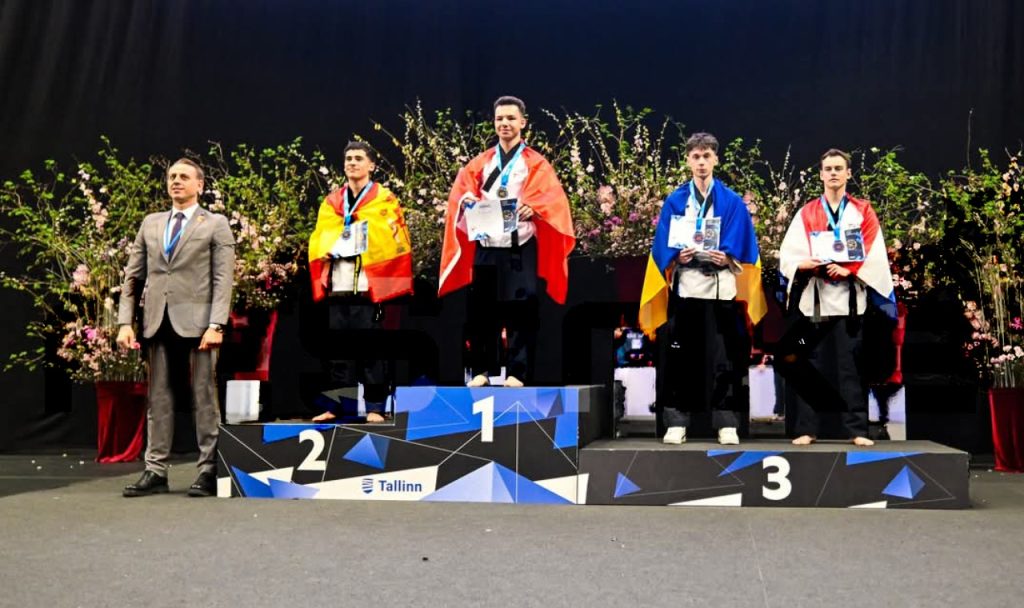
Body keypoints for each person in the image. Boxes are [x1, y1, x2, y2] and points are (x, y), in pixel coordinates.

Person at [116, 158, 235, 497]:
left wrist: (217, 324)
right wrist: (125, 322)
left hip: (199, 324)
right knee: (158, 398)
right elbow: (133, 277)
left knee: (203, 396)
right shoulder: (151, 223)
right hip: (157, 321)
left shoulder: (215, 223)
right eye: (172, 176)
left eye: (184, 176)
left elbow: (223, 279)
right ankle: (155, 470)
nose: (176, 181)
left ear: (200, 185)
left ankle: (209, 469)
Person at [439, 95, 574, 387]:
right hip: (486, 245)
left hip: (519, 247)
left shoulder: (535, 163)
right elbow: (461, 190)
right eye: (500, 118)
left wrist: (533, 207)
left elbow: (551, 198)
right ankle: (481, 371)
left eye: (511, 118)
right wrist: (468, 200)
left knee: (521, 310)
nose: (505, 124)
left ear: (523, 122)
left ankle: (517, 372)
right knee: (481, 310)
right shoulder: (482, 162)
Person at [639, 133, 765, 445]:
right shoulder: (676, 200)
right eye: (696, 156)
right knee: (681, 357)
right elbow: (664, 243)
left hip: (721, 289)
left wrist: (727, 256)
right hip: (686, 287)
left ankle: (726, 423)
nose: (701, 162)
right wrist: (676, 256)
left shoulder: (731, 201)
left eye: (707, 156)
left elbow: (742, 241)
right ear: (688, 161)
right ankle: (677, 422)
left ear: (715, 160)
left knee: (724, 358)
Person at [777, 148, 896, 446]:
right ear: (821, 174)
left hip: (849, 301)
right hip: (815, 302)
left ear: (848, 173)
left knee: (850, 368)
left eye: (838, 168)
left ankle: (857, 430)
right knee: (810, 368)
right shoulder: (807, 212)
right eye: (828, 168)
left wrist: (849, 269)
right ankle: (807, 428)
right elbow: (789, 255)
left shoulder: (862, 211)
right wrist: (807, 265)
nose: (833, 173)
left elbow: (873, 252)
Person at [307, 141, 414, 422]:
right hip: (339, 286)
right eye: (348, 159)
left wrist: (362, 232)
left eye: (358, 158)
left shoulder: (385, 200)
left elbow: (394, 238)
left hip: (370, 287)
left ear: (371, 165)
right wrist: (329, 246)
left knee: (371, 350)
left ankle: (375, 407)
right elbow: (319, 237)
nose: (352, 163)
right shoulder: (332, 202)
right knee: (338, 353)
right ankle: (336, 407)